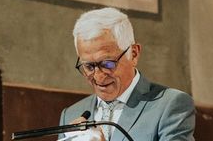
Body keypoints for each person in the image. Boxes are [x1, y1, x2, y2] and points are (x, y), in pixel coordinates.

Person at [59, 8, 195, 141]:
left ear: (134, 54)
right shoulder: (70, 114)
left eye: (107, 64)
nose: (98, 76)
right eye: (89, 66)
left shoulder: (170, 105)